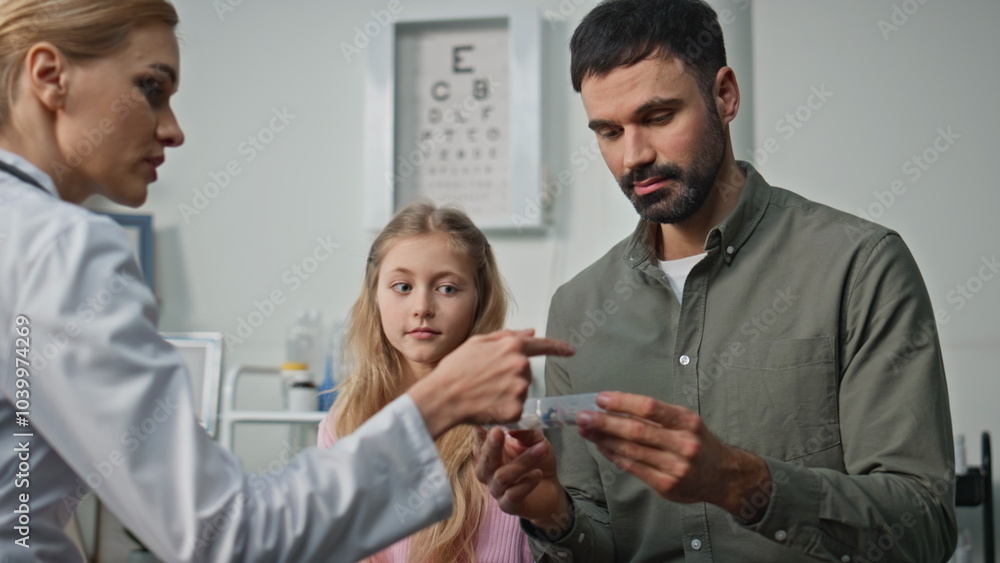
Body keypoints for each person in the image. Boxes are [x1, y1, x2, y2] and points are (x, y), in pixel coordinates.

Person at [0, 1, 572, 561]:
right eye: (152, 88)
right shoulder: (58, 248)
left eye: (448, 287)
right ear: (50, 77)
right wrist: (441, 402)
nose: (174, 131)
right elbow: (226, 537)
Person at [475, 1, 957, 561]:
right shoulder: (579, 309)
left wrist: (743, 483)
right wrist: (553, 516)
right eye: (609, 131)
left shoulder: (859, 267)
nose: (634, 157)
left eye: (658, 117)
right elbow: (599, 544)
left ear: (724, 96)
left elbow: (923, 529)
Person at [318, 201, 533, 562]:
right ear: (375, 297)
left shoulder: (507, 431)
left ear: (479, 301)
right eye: (402, 286)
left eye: (447, 289)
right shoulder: (341, 425)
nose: (422, 307)